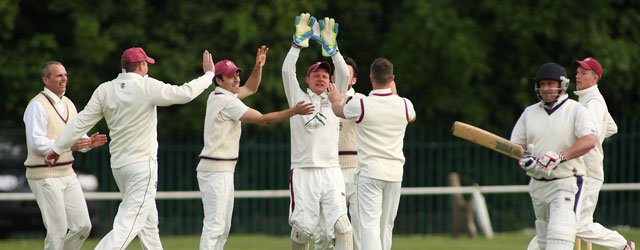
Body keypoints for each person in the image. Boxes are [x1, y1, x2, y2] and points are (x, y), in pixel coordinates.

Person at [44, 47, 216, 249]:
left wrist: (57, 149)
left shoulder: (105, 89)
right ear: (142, 65)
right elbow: (184, 93)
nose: (147, 68)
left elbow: (80, 123)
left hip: (119, 167)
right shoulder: (146, 86)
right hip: (142, 167)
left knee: (148, 225)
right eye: (146, 64)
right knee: (128, 224)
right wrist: (208, 75)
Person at [196, 45, 314, 250]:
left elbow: (251, 88)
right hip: (215, 171)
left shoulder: (224, 96)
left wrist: (258, 67)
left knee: (222, 227)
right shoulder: (225, 101)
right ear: (218, 80)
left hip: (221, 170)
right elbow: (263, 120)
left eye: (237, 75)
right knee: (215, 226)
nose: (236, 79)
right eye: (231, 76)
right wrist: (294, 111)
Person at [328, 57, 416, 250]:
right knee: (386, 226)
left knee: (369, 227)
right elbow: (411, 116)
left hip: (369, 173)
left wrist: (335, 100)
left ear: (371, 78)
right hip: (394, 174)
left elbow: (338, 111)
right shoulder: (405, 105)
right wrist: (394, 92)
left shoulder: (362, 105)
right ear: (392, 78)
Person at [283, 13, 353, 250]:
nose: (321, 78)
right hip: (304, 171)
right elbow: (286, 72)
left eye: (325, 75)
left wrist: (333, 51)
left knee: (342, 228)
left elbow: (343, 73)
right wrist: (296, 45)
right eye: (316, 75)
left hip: (331, 170)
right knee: (302, 232)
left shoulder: (335, 97)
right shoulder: (298, 97)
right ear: (307, 79)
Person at [511, 62, 597, 250]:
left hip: (566, 182)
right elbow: (517, 147)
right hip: (538, 185)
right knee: (542, 244)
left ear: (562, 85)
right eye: (542, 84)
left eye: (550, 84)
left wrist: (560, 156)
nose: (546, 88)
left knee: (559, 241)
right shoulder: (529, 112)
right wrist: (526, 162)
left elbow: (590, 140)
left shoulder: (576, 110)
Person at [23, 61, 108, 250]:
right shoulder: (36, 105)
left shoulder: (68, 103)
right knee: (57, 230)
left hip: (67, 173)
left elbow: (77, 136)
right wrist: (70, 145)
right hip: (44, 175)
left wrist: (88, 144)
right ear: (46, 80)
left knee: (83, 226)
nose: (64, 79)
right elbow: (37, 143)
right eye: (59, 75)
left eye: (65, 75)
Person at [572, 57, 634, 250]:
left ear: (595, 78)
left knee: (576, 224)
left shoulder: (593, 103)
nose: (577, 75)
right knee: (563, 222)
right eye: (578, 72)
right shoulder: (587, 100)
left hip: (588, 173)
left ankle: (623, 245)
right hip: (578, 172)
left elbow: (593, 135)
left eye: (583, 72)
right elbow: (612, 127)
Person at [314, 56, 365, 250]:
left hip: (357, 169)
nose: (339, 78)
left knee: (360, 227)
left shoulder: (360, 100)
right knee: (331, 226)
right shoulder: (322, 101)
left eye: (346, 74)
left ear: (353, 80)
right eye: (334, 74)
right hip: (331, 169)